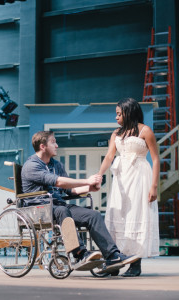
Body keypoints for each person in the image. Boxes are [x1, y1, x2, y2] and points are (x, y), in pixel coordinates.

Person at [21, 130, 139, 272]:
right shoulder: (31, 166)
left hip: (57, 207)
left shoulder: (56, 165)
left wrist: (89, 187)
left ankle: (112, 256)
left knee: (93, 215)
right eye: (53, 142)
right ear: (42, 146)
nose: (57, 145)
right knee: (62, 210)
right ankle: (79, 254)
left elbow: (68, 190)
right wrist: (86, 180)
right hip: (38, 209)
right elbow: (58, 182)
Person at [98, 98, 160, 276]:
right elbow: (109, 156)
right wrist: (99, 175)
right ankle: (115, 262)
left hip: (140, 176)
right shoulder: (116, 133)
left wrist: (154, 186)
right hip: (121, 178)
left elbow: (155, 159)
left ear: (128, 112)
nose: (116, 117)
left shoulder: (145, 130)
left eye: (119, 113)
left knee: (136, 215)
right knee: (118, 215)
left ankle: (135, 263)